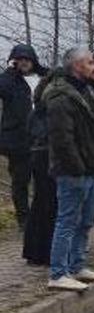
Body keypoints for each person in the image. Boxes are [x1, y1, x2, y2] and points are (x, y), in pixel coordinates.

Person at [45, 47, 94, 292]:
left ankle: (77, 264)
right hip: (73, 170)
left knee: (86, 220)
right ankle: (58, 272)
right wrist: (77, 167)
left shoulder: (86, 90)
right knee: (67, 221)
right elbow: (62, 138)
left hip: (91, 167)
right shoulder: (61, 96)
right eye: (90, 62)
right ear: (76, 65)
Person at [0, 44, 43, 228]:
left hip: (42, 137)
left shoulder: (43, 77)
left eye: (27, 59)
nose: (24, 62)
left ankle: (41, 216)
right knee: (20, 181)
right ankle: (24, 219)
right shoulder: (10, 81)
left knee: (43, 180)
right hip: (18, 139)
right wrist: (10, 70)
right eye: (20, 59)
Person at [22, 76, 54, 266]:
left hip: (39, 157)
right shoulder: (43, 112)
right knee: (46, 205)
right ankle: (41, 250)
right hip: (44, 157)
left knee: (41, 204)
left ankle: (36, 250)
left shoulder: (38, 111)